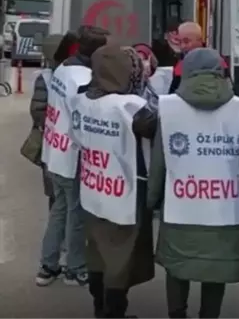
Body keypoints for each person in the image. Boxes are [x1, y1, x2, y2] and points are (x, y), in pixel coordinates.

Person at [147, 48, 239, 319]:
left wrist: (151, 202)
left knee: (177, 268)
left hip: (180, 208)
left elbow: (159, 162)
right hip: (225, 211)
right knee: (215, 271)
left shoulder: (169, 108)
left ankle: (177, 314)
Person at [70, 45, 157, 319]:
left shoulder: (82, 98)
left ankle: (99, 308)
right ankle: (113, 312)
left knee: (97, 251)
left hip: (93, 187)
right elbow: (158, 126)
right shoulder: (131, 107)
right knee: (120, 259)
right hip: (124, 194)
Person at [38, 26, 110, 287]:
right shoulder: (82, 78)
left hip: (54, 151)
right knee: (76, 216)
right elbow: (84, 119)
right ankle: (75, 269)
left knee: (58, 211)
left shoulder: (63, 68)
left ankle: (48, 265)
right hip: (72, 155)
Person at [30, 32, 78, 212]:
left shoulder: (66, 75)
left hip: (58, 144)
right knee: (57, 197)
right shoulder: (47, 77)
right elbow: (37, 110)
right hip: (53, 143)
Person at [167, 22, 206, 94]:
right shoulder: (219, 61)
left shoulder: (182, 66)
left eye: (186, 41)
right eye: (180, 42)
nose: (182, 46)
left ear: (200, 40)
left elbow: (172, 98)